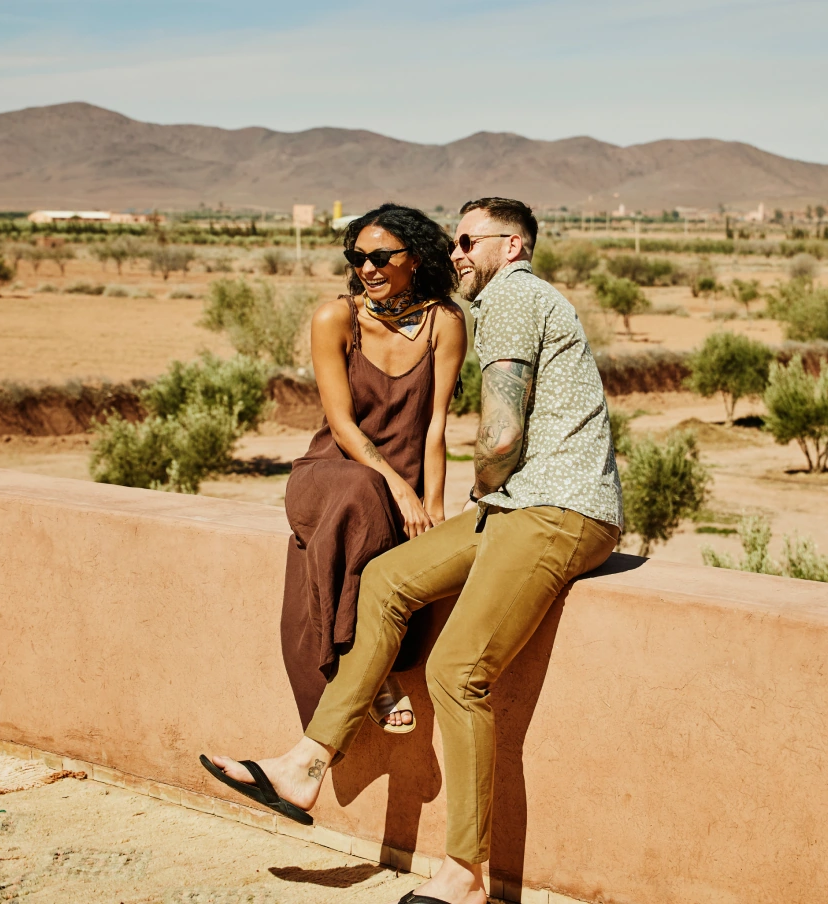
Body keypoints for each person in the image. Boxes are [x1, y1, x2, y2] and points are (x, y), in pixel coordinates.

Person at [203, 197, 623, 904]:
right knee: (390, 577)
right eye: (453, 241)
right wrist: (472, 505)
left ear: (513, 246)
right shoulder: (489, 305)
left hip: (559, 511)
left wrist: (475, 492)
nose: (459, 253)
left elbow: (495, 437)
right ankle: (307, 763)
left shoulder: (515, 297)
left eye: (469, 239)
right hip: (518, 508)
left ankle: (466, 873)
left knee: (459, 673)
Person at [279, 203, 467, 737]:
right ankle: (374, 672)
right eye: (358, 257)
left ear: (416, 258)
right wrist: (401, 492)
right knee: (362, 489)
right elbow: (342, 428)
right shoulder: (335, 319)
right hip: (329, 478)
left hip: (394, 489)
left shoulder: (443, 322)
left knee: (382, 506)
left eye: (382, 256)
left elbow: (434, 427)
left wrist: (432, 508)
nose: (368, 268)